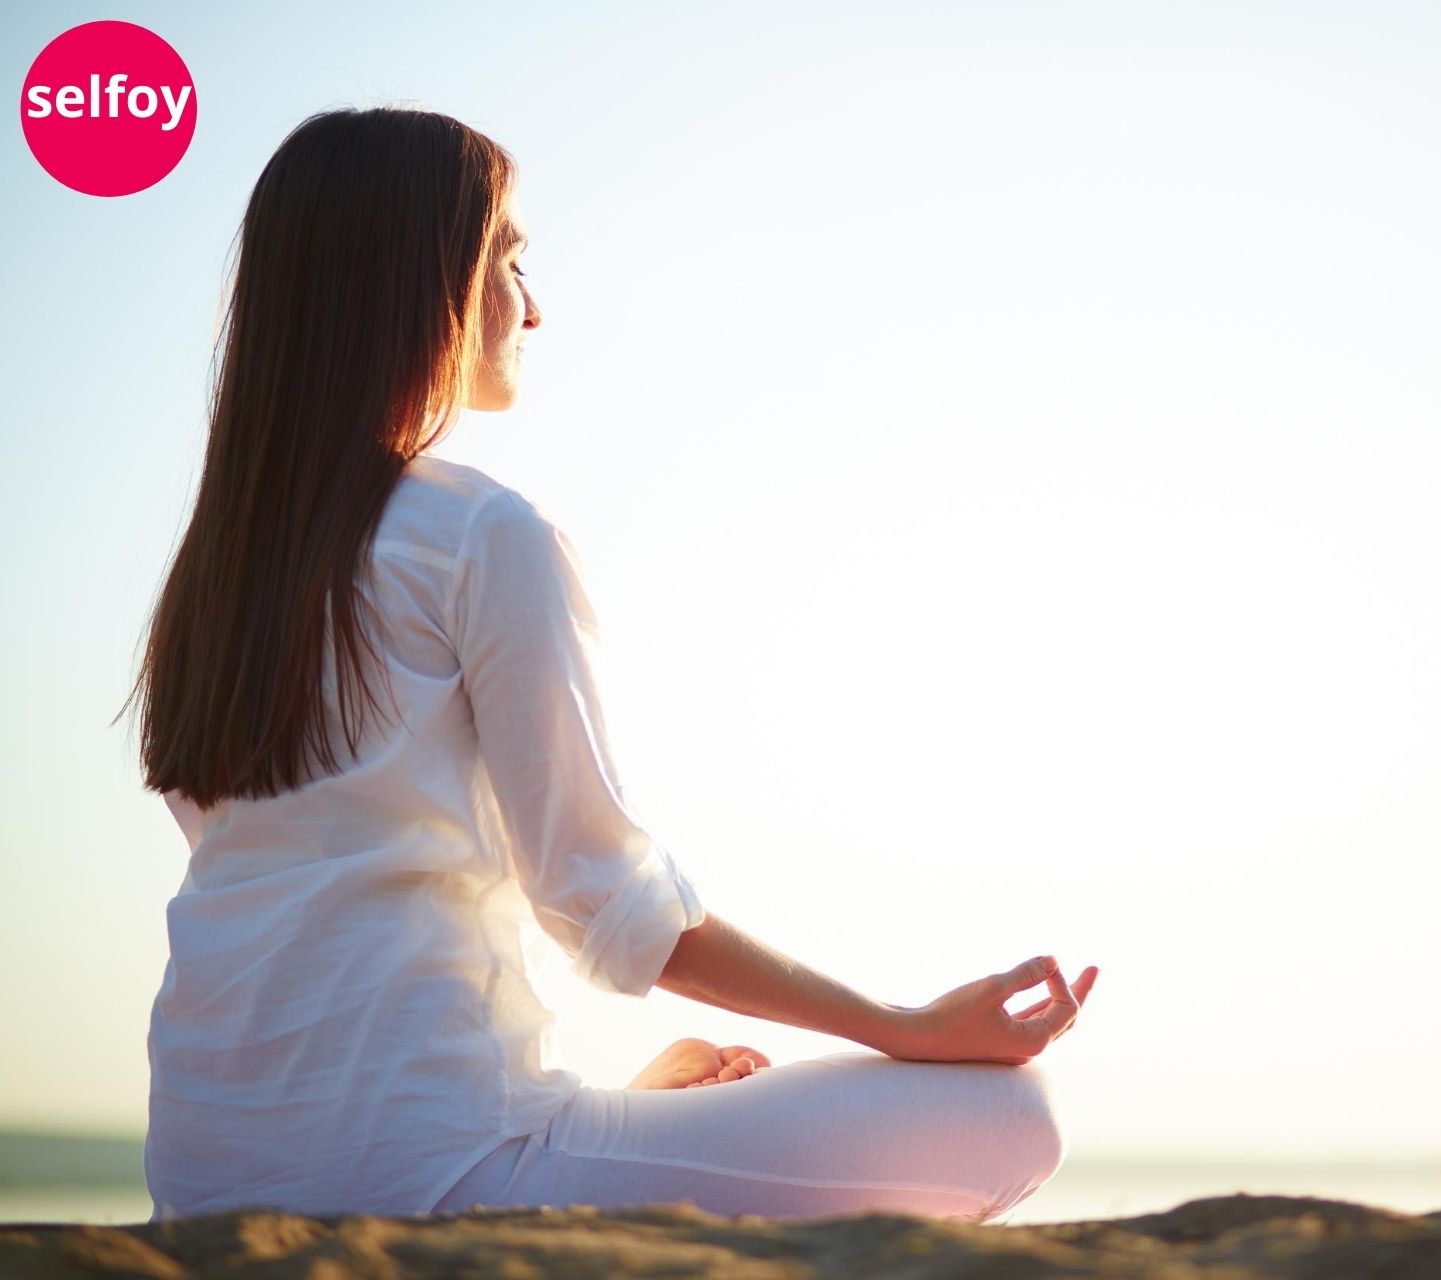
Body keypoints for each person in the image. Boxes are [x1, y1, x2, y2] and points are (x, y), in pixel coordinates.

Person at [118, 106, 1097, 1225]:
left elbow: (318, 923)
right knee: (1017, 1116)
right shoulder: (482, 536)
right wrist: (905, 1024)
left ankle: (577, 1142)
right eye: (509, 257)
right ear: (413, 279)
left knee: (580, 1114)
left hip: (201, 1181)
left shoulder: (214, 577)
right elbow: (606, 900)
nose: (531, 303)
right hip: (437, 1171)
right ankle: (564, 1155)